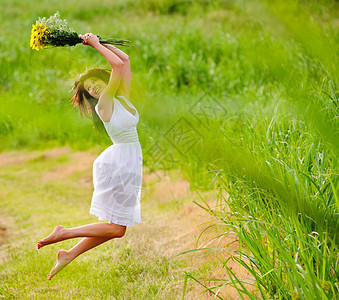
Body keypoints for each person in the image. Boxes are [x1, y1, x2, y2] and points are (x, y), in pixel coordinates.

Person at [37, 33, 143, 280]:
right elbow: (116, 65)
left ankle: (69, 254)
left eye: (94, 82)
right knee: (117, 229)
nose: (94, 88)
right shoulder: (104, 103)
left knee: (115, 228)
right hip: (121, 164)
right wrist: (95, 45)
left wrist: (96, 40)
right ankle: (64, 233)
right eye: (89, 89)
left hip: (128, 160)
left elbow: (124, 61)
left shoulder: (121, 97)